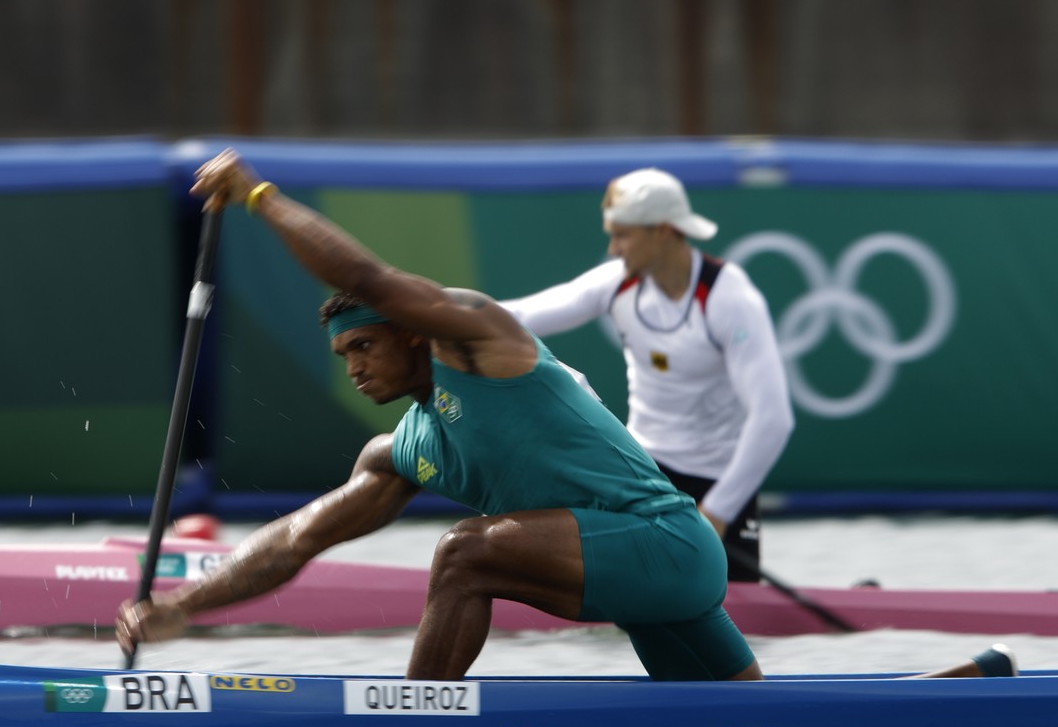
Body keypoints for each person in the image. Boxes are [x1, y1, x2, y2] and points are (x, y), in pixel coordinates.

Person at [116, 149, 1016, 684]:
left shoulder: (478, 341)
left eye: (363, 347)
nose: (353, 368)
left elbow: (368, 278)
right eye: (343, 356)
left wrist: (260, 195)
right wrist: (181, 609)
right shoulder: (406, 449)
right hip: (641, 572)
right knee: (748, 723)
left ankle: (417, 726)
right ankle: (961, 685)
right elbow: (299, 538)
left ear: (414, 334)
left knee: (462, 553)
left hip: (668, 545)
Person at [500, 168, 795, 582]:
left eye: (623, 235)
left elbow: (773, 419)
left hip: (718, 483)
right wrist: (432, 312)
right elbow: (519, 315)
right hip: (642, 474)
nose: (613, 248)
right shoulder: (617, 283)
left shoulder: (730, 299)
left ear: (663, 231)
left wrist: (717, 512)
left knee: (725, 613)